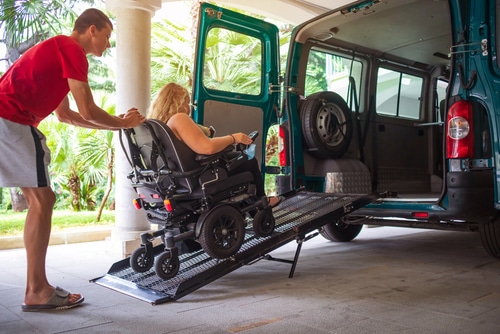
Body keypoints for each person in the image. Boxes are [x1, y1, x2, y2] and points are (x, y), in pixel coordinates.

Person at [0, 8, 146, 311]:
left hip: (8, 118)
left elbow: (68, 116)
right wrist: (124, 124)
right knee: (44, 200)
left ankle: (35, 288)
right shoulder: (71, 50)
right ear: (91, 30)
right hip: (11, 118)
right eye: (107, 36)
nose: (108, 45)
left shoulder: (58, 53)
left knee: (41, 200)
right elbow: (90, 111)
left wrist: (116, 122)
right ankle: (37, 290)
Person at [147, 82, 281, 206]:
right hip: (199, 173)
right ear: (179, 102)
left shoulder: (156, 125)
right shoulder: (179, 119)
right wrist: (234, 138)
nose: (188, 108)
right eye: (187, 103)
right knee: (248, 160)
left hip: (178, 179)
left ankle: (251, 205)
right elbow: (208, 148)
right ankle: (261, 202)